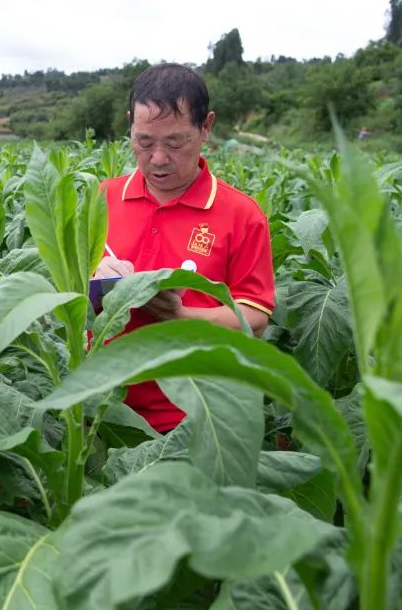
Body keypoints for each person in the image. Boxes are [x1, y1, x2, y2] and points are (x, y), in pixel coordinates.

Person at [93, 63, 274, 433]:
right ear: (130, 124)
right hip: (99, 409)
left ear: (206, 127)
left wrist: (179, 316)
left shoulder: (241, 215)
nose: (158, 159)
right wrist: (95, 281)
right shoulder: (102, 198)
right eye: (144, 141)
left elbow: (254, 319)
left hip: (189, 420)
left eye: (175, 143)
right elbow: (69, 282)